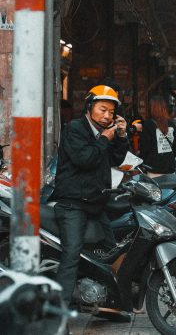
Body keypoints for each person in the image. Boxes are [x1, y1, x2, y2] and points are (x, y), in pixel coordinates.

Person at [53, 85, 129, 305]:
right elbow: (86, 159)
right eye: (102, 110)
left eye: (111, 112)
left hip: (96, 203)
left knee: (112, 251)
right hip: (73, 205)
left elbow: (116, 159)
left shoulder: (105, 133)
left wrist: (121, 136)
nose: (107, 116)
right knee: (71, 256)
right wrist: (105, 138)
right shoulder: (75, 128)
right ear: (89, 107)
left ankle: (113, 304)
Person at [140, 96, 176, 175]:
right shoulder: (171, 124)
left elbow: (144, 148)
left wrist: (142, 162)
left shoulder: (148, 124)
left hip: (154, 168)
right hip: (170, 166)